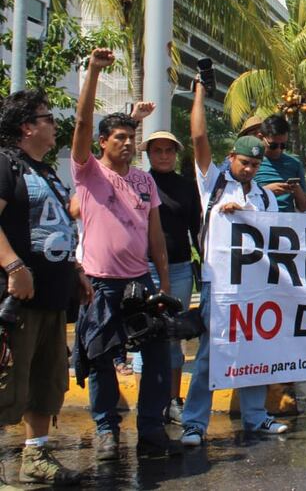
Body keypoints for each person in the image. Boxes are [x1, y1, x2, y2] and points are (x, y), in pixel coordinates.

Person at [71, 49, 180, 460]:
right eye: (120, 138)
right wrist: (95, 72)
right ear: (102, 143)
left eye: (132, 138)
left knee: (154, 357)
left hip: (140, 283)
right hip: (99, 284)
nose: (129, 143)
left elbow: (156, 240)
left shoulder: (144, 182)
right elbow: (81, 123)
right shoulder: (88, 172)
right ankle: (105, 430)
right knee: (99, 358)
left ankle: (151, 430)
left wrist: (163, 286)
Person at [180, 72, 290, 447]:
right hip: (220, 283)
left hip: (256, 286)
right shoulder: (213, 183)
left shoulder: (265, 196)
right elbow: (198, 138)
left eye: (255, 165)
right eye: (244, 162)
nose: (249, 169)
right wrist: (199, 93)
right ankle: (194, 423)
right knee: (213, 351)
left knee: (257, 347)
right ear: (232, 159)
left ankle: (256, 417)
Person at [0, 90, 90, 484]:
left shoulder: (48, 171)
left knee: (48, 380)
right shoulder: (5, 165)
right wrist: (13, 265)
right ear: (27, 126)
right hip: (17, 299)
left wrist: (76, 270)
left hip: (52, 296)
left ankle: (35, 456)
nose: (54, 124)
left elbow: (57, 226)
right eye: (47, 117)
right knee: (8, 384)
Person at [130, 121, 200, 426]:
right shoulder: (139, 182)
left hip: (181, 268)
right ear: (148, 154)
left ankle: (173, 399)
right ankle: (146, 402)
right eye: (157, 151)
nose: (163, 156)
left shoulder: (187, 186)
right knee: (144, 335)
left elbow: (197, 228)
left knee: (173, 335)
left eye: (168, 151)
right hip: (143, 268)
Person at [253, 114, 306, 213]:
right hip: (258, 221)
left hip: (286, 224)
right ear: (261, 137)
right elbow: (240, 199)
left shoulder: (294, 163)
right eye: (273, 145)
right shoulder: (249, 163)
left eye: (283, 145)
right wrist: (266, 192)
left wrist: (297, 190)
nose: (278, 150)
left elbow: (303, 207)